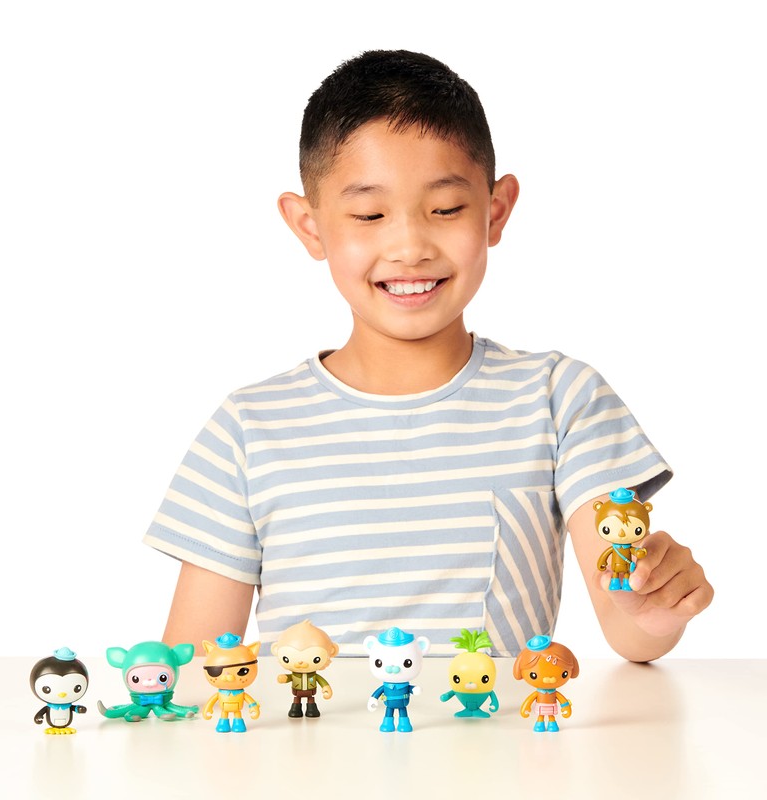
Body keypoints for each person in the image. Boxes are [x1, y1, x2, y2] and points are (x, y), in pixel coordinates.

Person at [145, 50, 712, 662]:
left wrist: (653, 607)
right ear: (309, 226)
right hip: (308, 723)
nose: (410, 246)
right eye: (369, 214)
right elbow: (193, 665)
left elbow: (629, 628)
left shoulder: (558, 398)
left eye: (445, 209)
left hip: (497, 725)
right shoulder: (247, 428)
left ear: (496, 211)